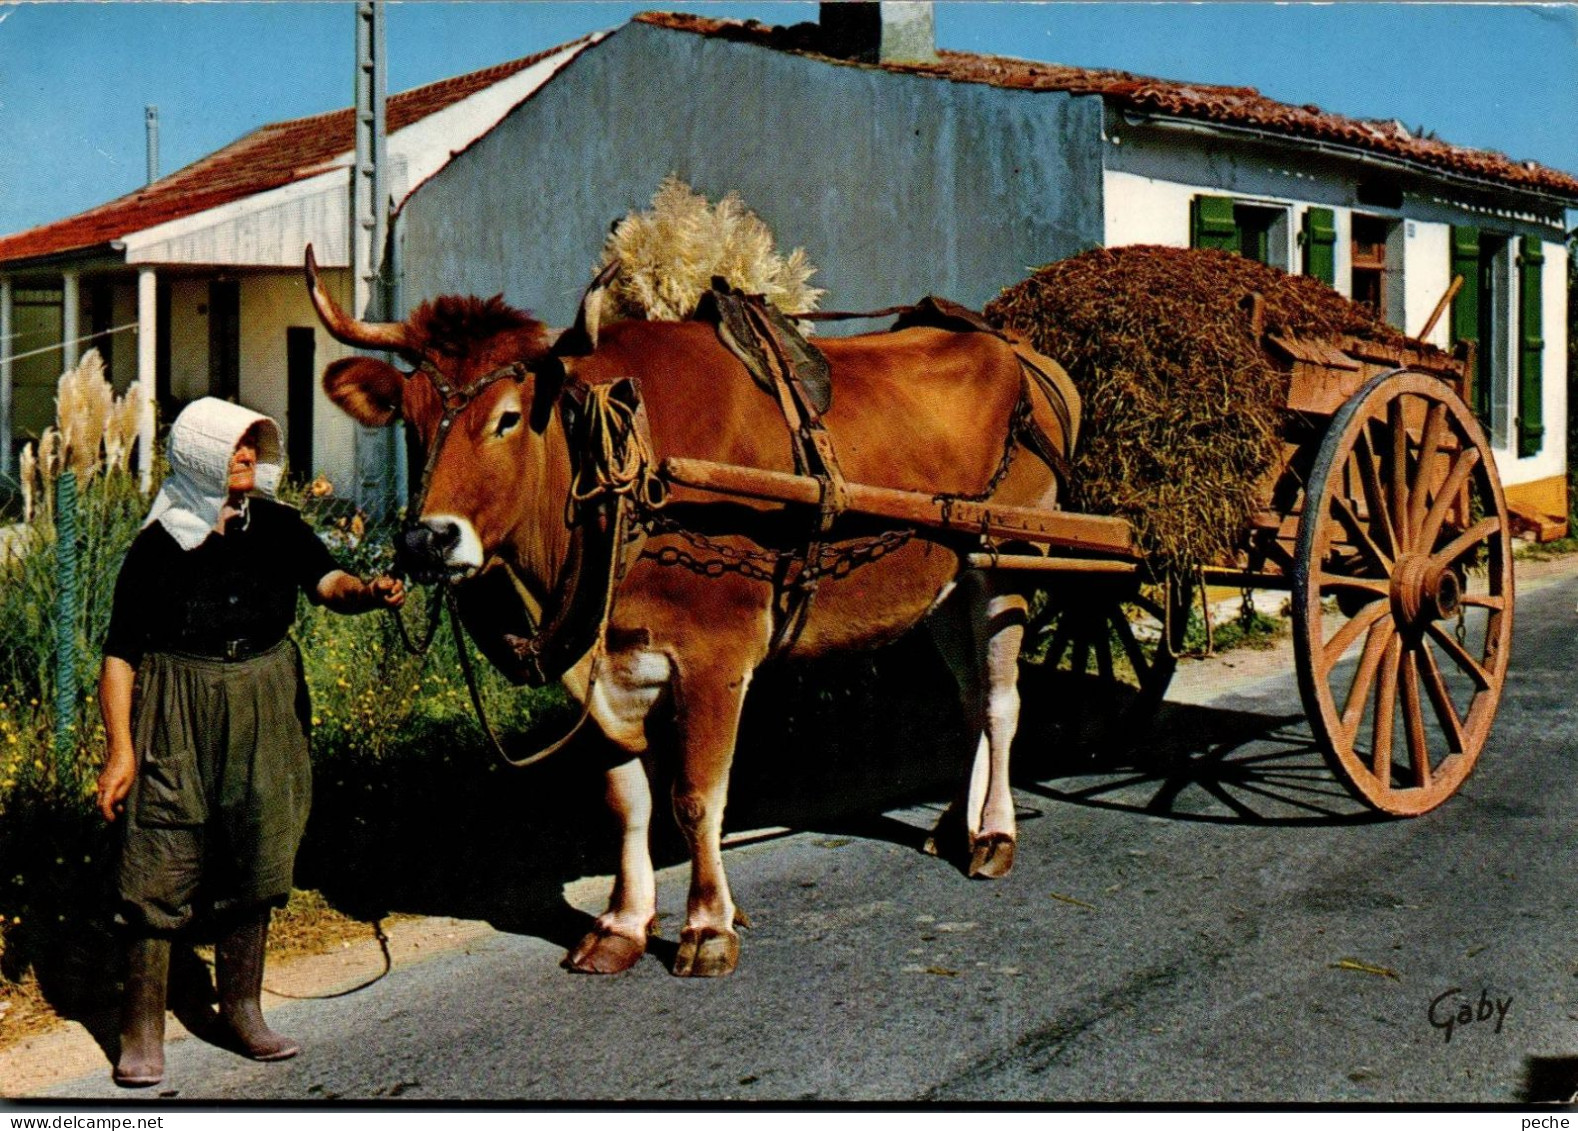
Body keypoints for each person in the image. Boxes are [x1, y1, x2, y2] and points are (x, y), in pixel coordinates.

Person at [95, 397, 404, 1088]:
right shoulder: (158, 546)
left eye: (252, 445)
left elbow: (330, 583)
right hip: (178, 701)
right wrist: (120, 750)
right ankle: (141, 1031)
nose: (247, 456)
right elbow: (119, 655)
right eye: (234, 446)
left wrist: (368, 590)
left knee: (262, 842)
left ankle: (242, 1010)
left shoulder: (280, 527)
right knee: (160, 855)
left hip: (265, 692)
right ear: (202, 455)